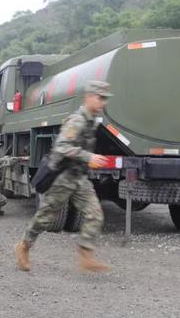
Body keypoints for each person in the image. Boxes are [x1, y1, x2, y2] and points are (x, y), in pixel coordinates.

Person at [14, 80, 113, 273]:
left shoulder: (90, 121)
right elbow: (61, 146)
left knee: (95, 214)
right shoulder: (77, 120)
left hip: (79, 178)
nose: (103, 103)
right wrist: (88, 156)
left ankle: (86, 256)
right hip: (63, 177)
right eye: (100, 98)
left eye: (105, 99)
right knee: (45, 217)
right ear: (89, 97)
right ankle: (24, 246)